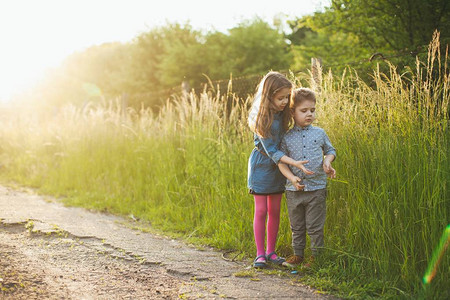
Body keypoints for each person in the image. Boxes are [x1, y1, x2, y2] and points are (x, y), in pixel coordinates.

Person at [247, 72, 311, 269]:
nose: (284, 101)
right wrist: (294, 163)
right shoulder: (261, 119)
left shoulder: (282, 115)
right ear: (268, 97)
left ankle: (271, 252)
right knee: (262, 210)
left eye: (287, 97)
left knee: (275, 210)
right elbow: (272, 151)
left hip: (279, 169)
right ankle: (260, 254)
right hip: (262, 167)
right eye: (280, 97)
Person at [278, 87, 336, 268]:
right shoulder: (286, 137)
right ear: (293, 112)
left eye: (312, 110)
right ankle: (298, 255)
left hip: (317, 188)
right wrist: (292, 178)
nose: (309, 114)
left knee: (315, 226)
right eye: (304, 111)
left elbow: (330, 150)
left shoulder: (319, 133)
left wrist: (328, 162)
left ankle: (316, 257)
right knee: (297, 226)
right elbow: (281, 161)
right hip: (294, 189)